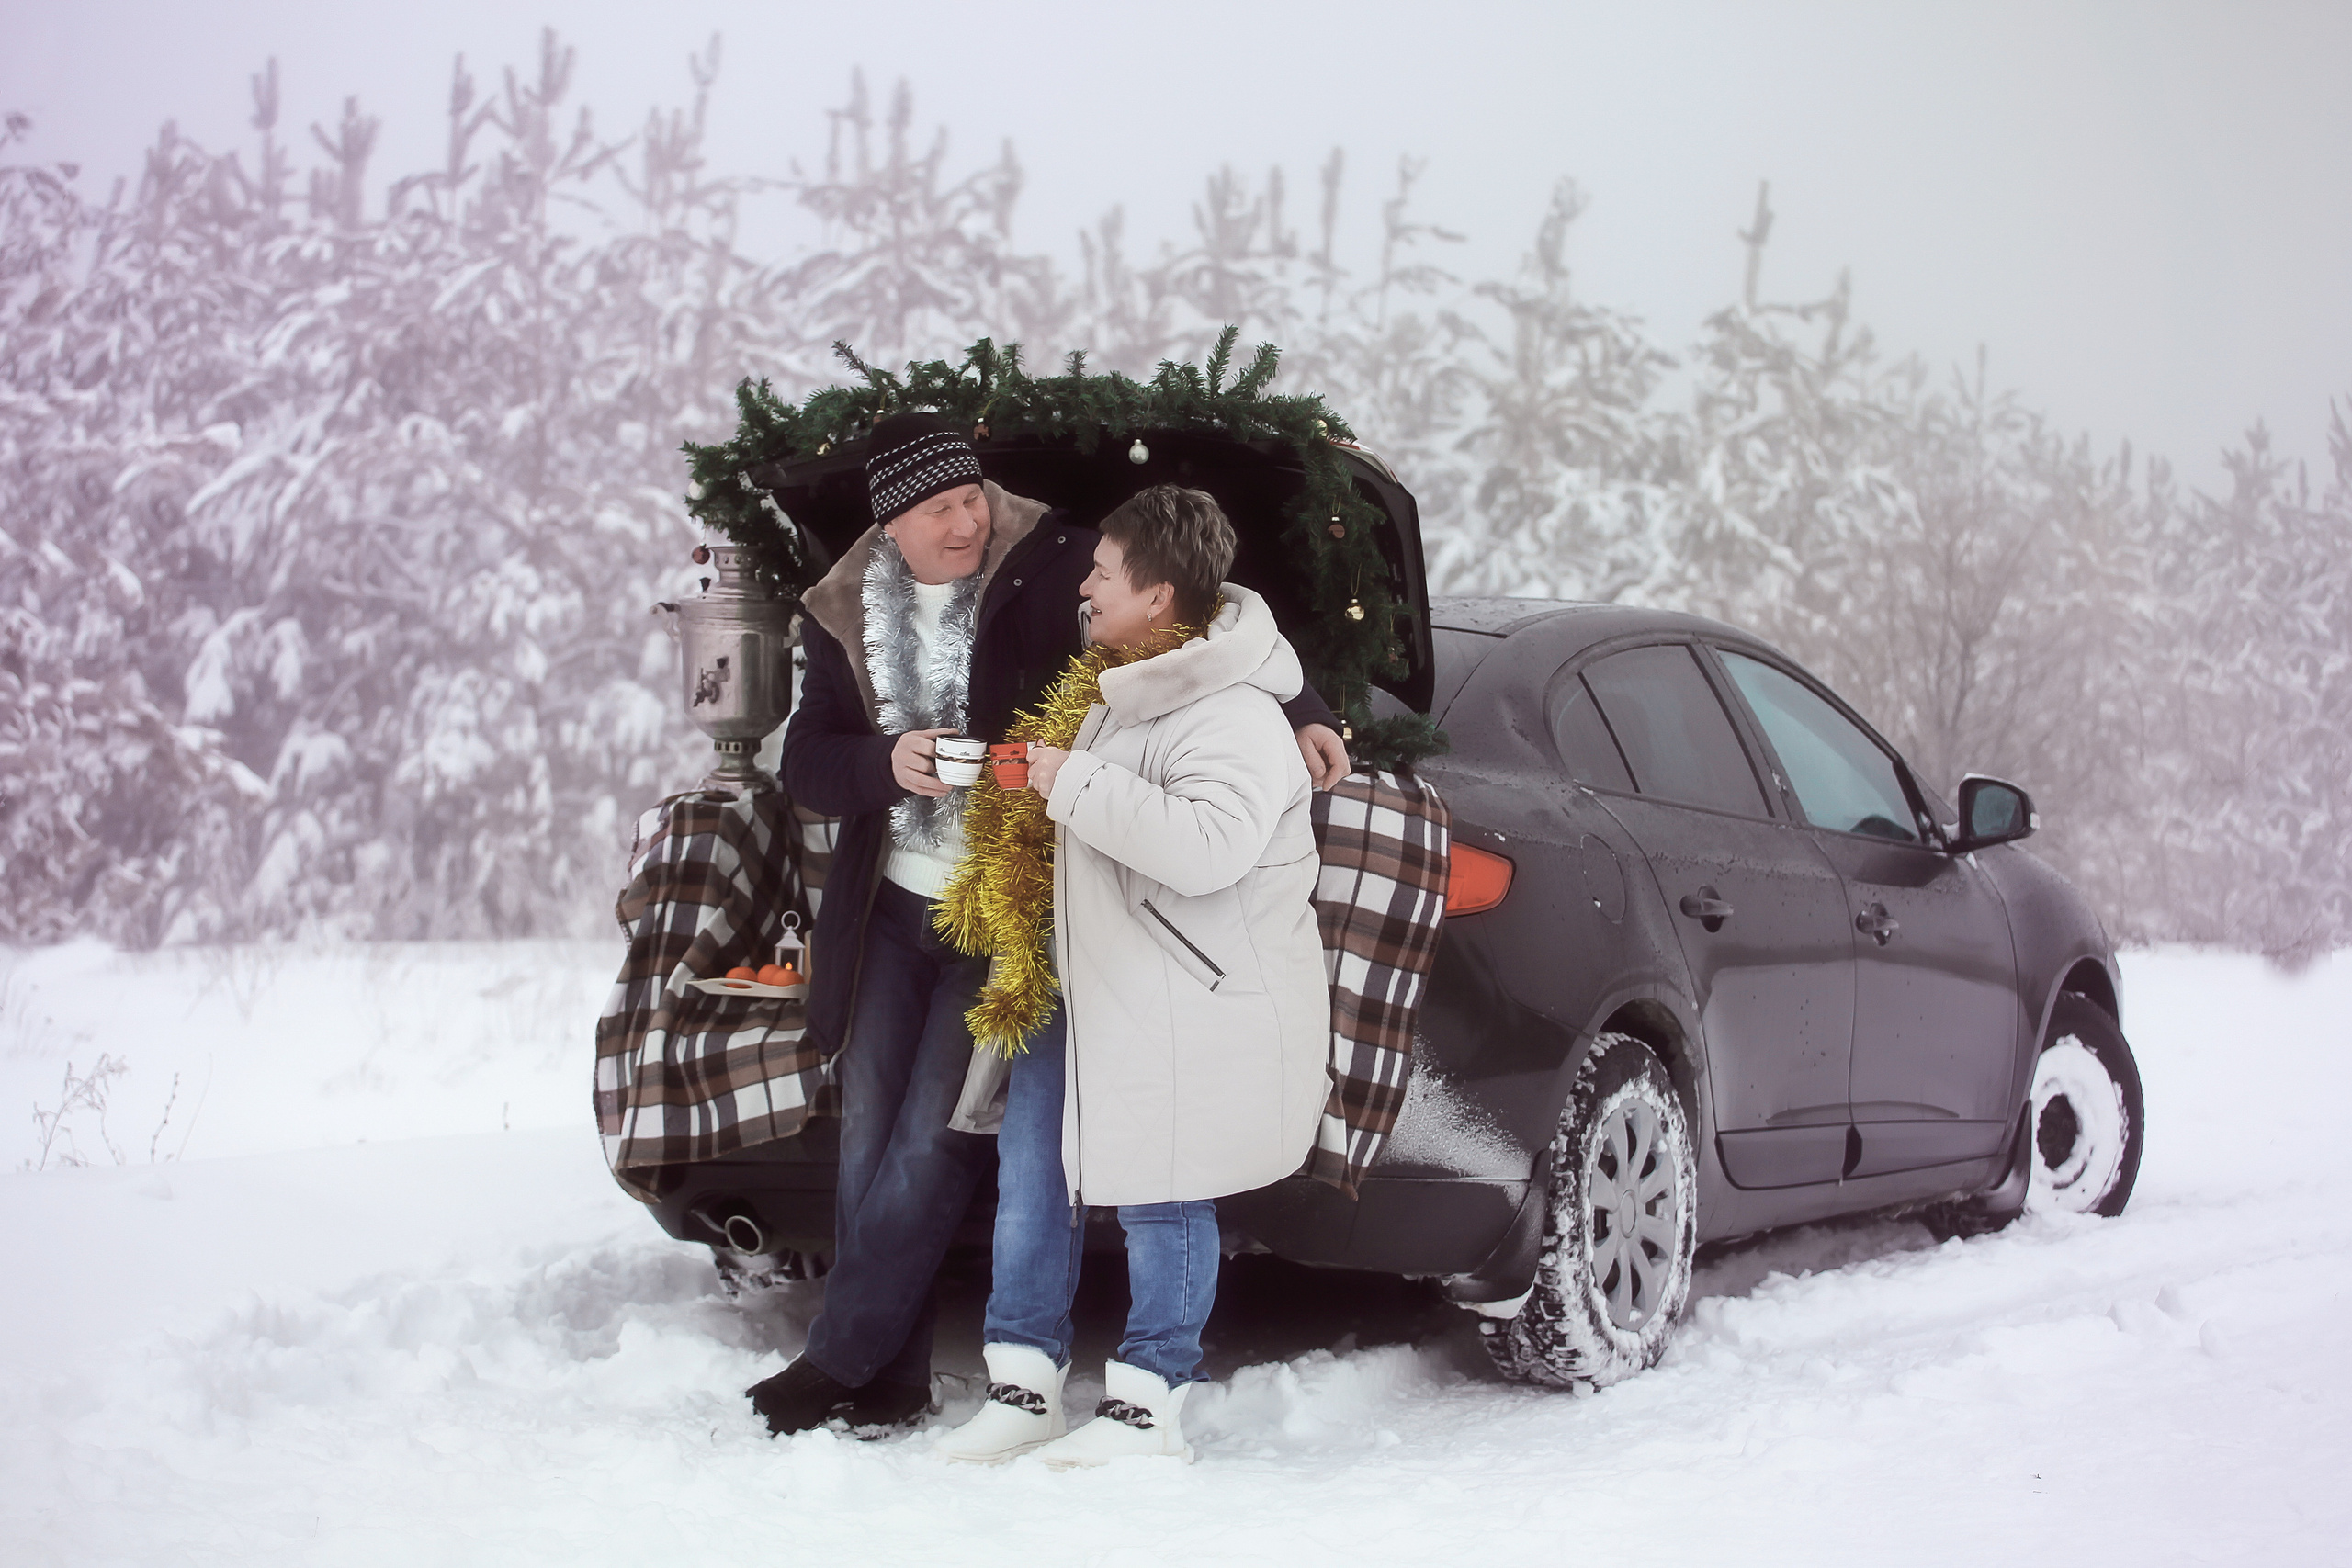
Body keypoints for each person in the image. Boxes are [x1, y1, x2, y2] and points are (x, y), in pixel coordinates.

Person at [746, 418, 1346, 1435]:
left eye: (971, 496)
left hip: (1003, 902)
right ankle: (885, 1377)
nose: (968, 520)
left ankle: (837, 1354)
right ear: (891, 524)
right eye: (939, 509)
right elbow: (806, 759)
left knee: (936, 1137)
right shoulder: (841, 608)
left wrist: (1305, 710)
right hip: (890, 904)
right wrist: (881, 763)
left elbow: (1202, 620)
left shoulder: (1055, 558)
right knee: (867, 1144)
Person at [932, 484, 1329, 1467]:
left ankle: (1150, 1402)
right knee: (1032, 1175)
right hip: (1081, 974)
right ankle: (1023, 1385)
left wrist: (1070, 779)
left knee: (1164, 1191)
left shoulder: (1233, 712)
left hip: (1173, 994)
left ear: (1158, 596)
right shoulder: (1119, 683)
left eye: (1104, 572)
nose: (1085, 585)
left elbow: (1204, 849)